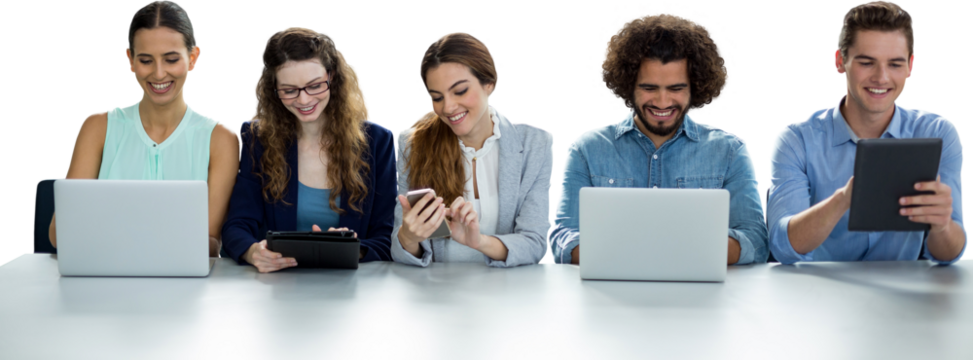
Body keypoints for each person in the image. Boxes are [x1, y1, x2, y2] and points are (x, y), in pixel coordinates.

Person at [550, 10, 768, 265]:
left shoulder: (730, 151)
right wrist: (678, 248)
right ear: (629, 85)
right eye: (649, 88)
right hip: (610, 297)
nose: (662, 102)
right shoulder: (587, 149)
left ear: (695, 86)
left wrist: (640, 249)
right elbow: (563, 240)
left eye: (676, 88)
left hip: (703, 299)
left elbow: (755, 241)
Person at [765, 0, 967, 265]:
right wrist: (845, 199)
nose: (881, 78)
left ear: (910, 66)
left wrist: (941, 226)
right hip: (819, 294)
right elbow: (782, 247)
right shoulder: (796, 140)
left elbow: (950, 255)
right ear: (840, 62)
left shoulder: (937, 133)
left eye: (894, 64)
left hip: (904, 296)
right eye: (866, 62)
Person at [47, 0, 239, 257]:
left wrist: (114, 234)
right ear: (130, 60)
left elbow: (208, 242)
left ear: (193, 58)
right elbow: (61, 233)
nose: (159, 74)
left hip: (185, 289)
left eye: (171, 59)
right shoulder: (97, 127)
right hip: (103, 282)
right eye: (146, 60)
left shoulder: (221, 139)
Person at [221, 26, 395, 273]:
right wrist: (252, 252)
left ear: (332, 77)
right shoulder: (257, 138)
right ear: (274, 90)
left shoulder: (378, 141)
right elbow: (237, 225)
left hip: (356, 291)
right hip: (277, 287)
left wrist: (351, 248)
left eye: (315, 86)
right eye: (289, 90)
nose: (303, 101)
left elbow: (388, 236)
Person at [391, 31, 554, 267]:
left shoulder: (533, 143)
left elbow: (535, 242)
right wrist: (409, 236)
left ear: (488, 84)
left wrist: (479, 241)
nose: (448, 107)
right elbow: (399, 250)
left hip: (508, 293)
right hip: (436, 293)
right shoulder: (412, 144)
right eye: (437, 97)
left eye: (460, 91)